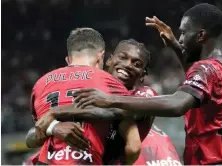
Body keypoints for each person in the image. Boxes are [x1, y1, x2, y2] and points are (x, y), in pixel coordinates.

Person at [67, 3, 222, 165]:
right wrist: (175, 47)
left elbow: (177, 105)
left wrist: (110, 100)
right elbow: (202, 81)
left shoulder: (205, 70)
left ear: (201, 35)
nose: (180, 38)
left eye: (184, 33)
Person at [30, 39, 180, 165]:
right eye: (123, 57)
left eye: (137, 64)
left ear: (143, 75)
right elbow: (33, 133)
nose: (128, 65)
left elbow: (119, 112)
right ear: (109, 60)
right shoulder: (89, 89)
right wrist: (53, 127)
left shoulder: (142, 94)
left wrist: (57, 112)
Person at [27, 28, 141, 165]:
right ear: (101, 57)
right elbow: (134, 148)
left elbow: (36, 135)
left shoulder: (40, 84)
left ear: (68, 60)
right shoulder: (111, 83)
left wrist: (53, 128)